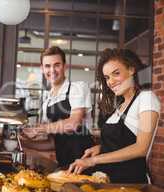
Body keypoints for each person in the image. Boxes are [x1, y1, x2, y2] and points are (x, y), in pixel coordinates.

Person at [68, 48, 160, 183]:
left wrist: (93, 160)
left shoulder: (146, 98)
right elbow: (122, 141)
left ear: (131, 70)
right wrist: (100, 148)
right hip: (109, 181)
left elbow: (141, 148)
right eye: (107, 77)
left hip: (131, 184)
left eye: (116, 73)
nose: (110, 82)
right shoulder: (120, 105)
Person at [22, 46, 94, 168]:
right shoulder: (47, 101)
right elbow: (52, 143)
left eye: (57, 65)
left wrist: (40, 129)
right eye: (47, 66)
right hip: (64, 164)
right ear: (42, 68)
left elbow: (74, 123)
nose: (52, 70)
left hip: (84, 161)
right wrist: (25, 144)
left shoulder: (77, 88)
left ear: (65, 66)